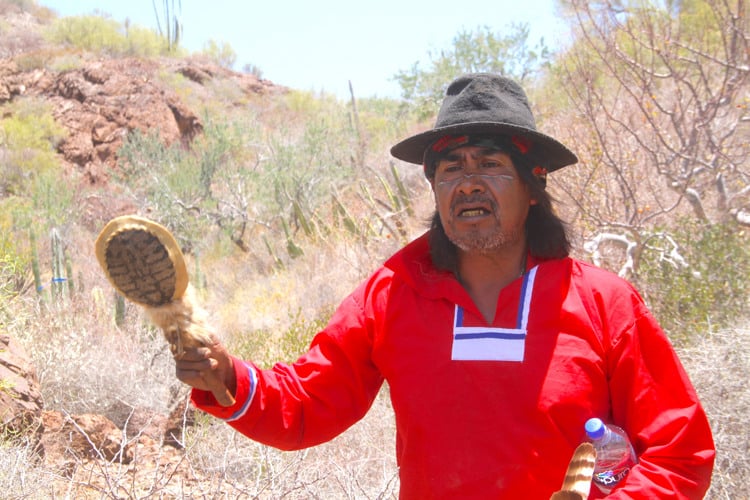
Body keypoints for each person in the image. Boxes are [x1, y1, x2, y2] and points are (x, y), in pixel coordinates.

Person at [172, 73, 715, 498]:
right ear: (434, 187)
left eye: (491, 163)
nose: (468, 181)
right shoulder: (390, 296)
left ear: (532, 187)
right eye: (450, 167)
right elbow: (308, 404)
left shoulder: (602, 303)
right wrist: (229, 378)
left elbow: (679, 451)